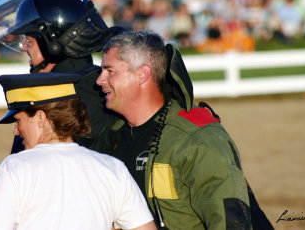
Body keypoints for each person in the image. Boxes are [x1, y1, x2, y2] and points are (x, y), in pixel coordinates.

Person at [95, 30, 273, 229]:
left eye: (110, 71)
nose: (100, 80)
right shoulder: (109, 138)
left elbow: (231, 222)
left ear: (142, 74)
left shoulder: (197, 139)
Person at [0, 72, 157, 230]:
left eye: (18, 120)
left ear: (40, 117)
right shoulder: (112, 168)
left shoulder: (15, 167)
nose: (16, 130)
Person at [0, 0, 122, 153]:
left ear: (52, 43)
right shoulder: (102, 85)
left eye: (29, 41)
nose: (24, 47)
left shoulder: (57, 96)